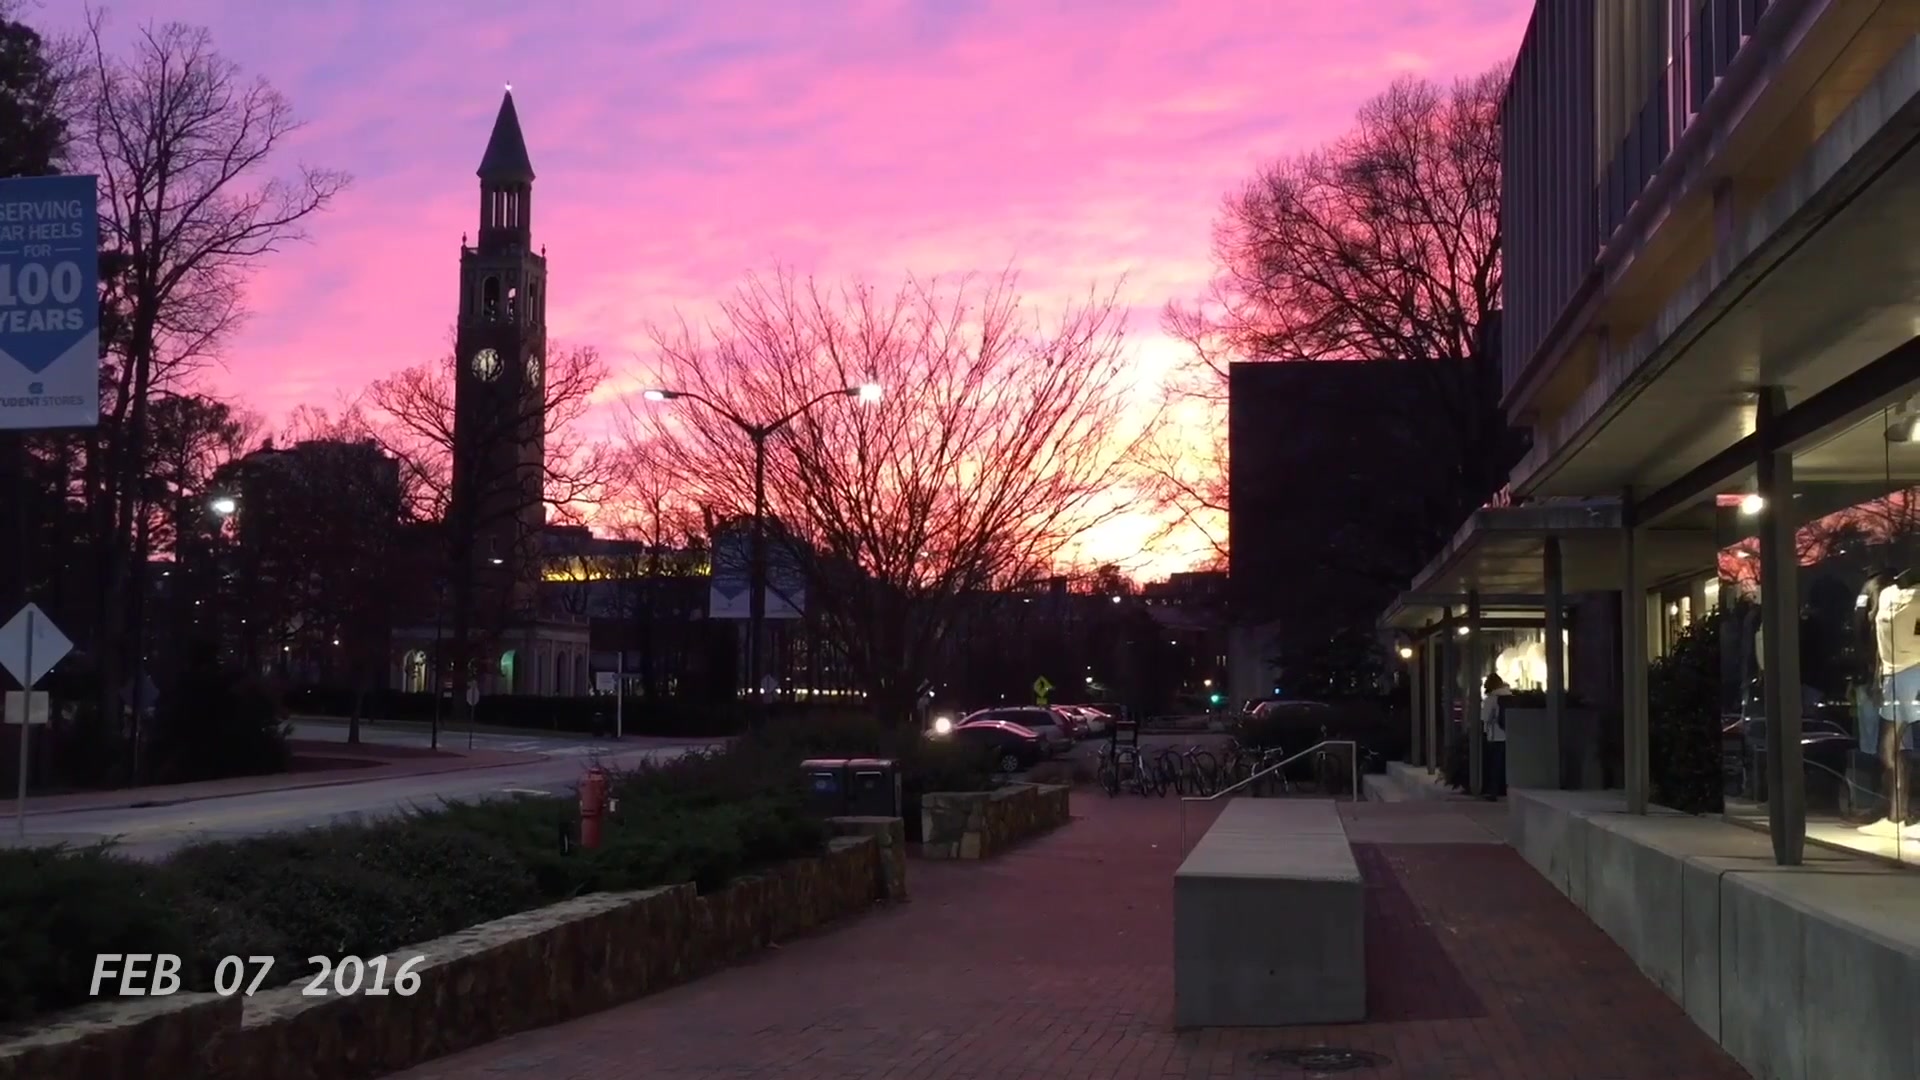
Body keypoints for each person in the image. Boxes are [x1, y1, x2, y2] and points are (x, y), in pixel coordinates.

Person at [1481, 673, 1512, 799]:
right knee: (1504, 765)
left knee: (1494, 765)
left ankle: (1493, 792)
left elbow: (1485, 717)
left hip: (1494, 735)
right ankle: (1504, 790)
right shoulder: (1509, 696)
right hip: (1509, 735)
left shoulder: (1492, 698)